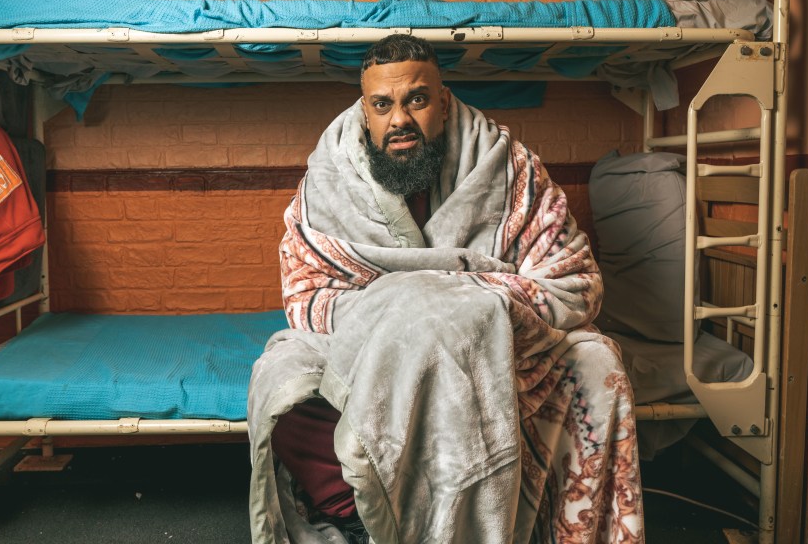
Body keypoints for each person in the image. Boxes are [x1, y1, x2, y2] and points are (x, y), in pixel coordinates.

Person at [248, 35, 644, 544]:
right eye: (382, 105)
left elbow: (573, 281)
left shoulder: (508, 165)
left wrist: (456, 303)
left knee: (596, 362)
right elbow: (305, 291)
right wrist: (401, 315)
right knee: (283, 383)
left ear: (442, 100)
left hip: (490, 341)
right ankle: (364, 515)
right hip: (367, 339)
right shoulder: (329, 176)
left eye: (416, 100)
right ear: (364, 109)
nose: (400, 121)